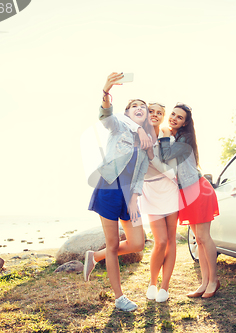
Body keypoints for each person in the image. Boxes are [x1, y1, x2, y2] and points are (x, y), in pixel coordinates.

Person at [83, 72, 153, 312]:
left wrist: (135, 197)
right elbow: (106, 115)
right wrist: (106, 91)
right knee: (113, 244)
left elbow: (141, 173)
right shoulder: (118, 128)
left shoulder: (146, 143)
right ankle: (119, 297)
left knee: (137, 243)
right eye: (134, 105)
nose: (139, 108)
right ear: (127, 112)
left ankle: (95, 257)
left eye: (143, 106)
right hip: (109, 188)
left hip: (129, 196)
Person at [158, 103, 220, 299]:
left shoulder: (183, 139)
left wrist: (165, 133)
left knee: (203, 237)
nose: (174, 118)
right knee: (198, 241)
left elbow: (166, 156)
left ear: (185, 124)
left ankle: (213, 280)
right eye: (173, 114)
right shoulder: (175, 137)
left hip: (199, 189)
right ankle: (203, 282)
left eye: (179, 117)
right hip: (186, 193)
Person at [140, 103, 180, 303]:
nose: (154, 115)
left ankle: (165, 286)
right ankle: (152, 283)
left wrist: (151, 157)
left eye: (159, 112)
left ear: (163, 116)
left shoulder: (168, 138)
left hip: (170, 191)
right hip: (150, 193)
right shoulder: (137, 136)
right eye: (151, 111)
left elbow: (172, 171)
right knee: (160, 241)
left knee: (171, 240)